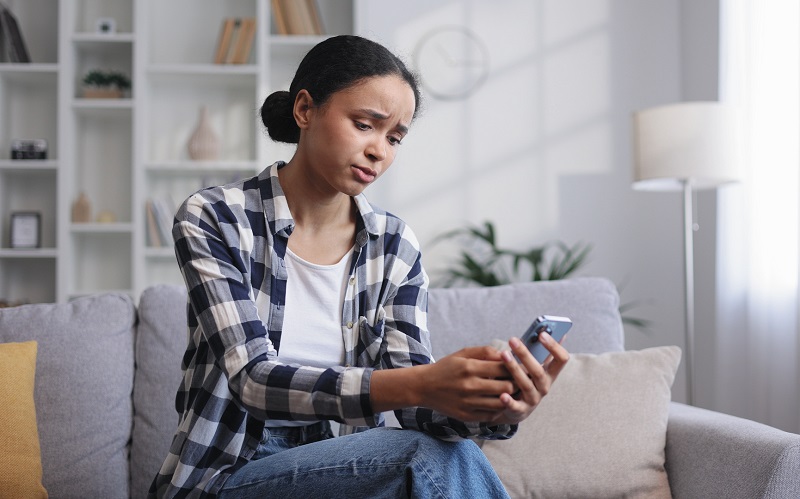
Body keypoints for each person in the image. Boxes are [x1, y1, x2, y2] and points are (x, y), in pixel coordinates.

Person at [149, 34, 569, 499]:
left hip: (342, 470)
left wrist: (495, 409)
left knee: (442, 451)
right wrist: (422, 382)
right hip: (229, 475)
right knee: (419, 456)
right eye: (365, 124)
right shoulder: (215, 216)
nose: (380, 151)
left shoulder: (393, 245)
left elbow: (418, 410)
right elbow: (252, 380)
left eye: (394, 137)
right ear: (305, 110)